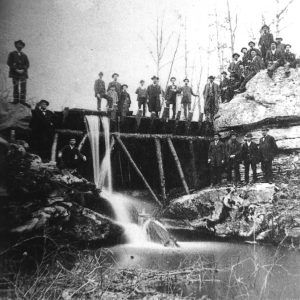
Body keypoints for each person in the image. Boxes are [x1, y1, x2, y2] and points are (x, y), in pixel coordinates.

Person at [7, 40, 30, 105]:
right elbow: (9, 62)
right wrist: (16, 69)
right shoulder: (12, 54)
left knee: (23, 88)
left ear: (23, 46)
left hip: (23, 74)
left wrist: (23, 69)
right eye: (18, 44)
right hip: (15, 74)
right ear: (16, 45)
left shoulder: (24, 55)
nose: (19, 46)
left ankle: (22, 101)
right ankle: (16, 101)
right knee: (15, 87)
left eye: (21, 45)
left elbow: (27, 64)